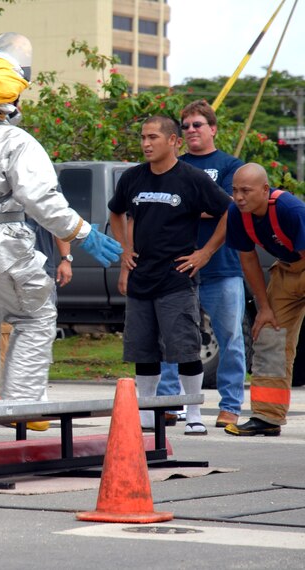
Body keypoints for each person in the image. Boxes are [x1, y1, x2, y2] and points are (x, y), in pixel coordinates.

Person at [0, 33, 122, 411]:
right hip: (1, 247)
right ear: (11, 99)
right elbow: (41, 199)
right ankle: (24, 408)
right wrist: (83, 233)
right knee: (35, 316)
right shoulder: (15, 141)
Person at [109, 115, 231, 436]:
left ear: (173, 141)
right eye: (143, 138)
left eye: (153, 137)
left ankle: (193, 413)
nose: (146, 144)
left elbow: (228, 211)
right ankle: (147, 412)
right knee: (143, 350)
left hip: (176, 279)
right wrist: (124, 248)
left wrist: (204, 253)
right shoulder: (133, 178)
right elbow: (116, 210)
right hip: (141, 279)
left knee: (184, 349)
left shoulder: (192, 178)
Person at [158, 101, 246, 429]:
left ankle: (231, 406)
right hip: (177, 269)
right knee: (171, 337)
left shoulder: (230, 166)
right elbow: (164, 211)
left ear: (213, 128)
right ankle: (168, 403)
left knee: (231, 339)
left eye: (198, 124)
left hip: (221, 267)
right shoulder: (171, 167)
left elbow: (230, 209)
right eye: (186, 126)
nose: (192, 130)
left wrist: (185, 206)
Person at [224, 163, 305, 437]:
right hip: (287, 272)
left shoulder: (291, 210)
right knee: (270, 337)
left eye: (246, 191)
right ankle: (267, 417)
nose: (239, 197)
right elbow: (247, 259)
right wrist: (264, 307)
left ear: (265, 190)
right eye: (235, 190)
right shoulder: (236, 214)